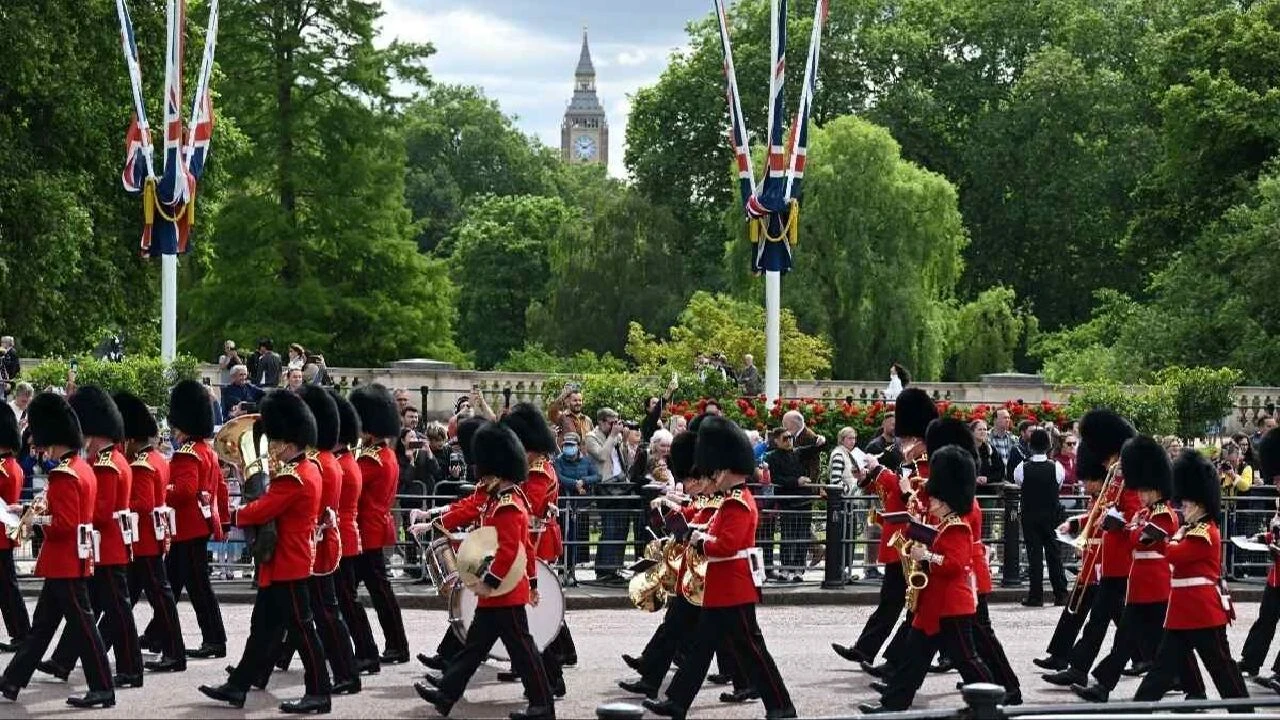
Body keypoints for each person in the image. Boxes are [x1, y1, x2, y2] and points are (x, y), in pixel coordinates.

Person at [642, 416, 796, 720]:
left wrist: (699, 541)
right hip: (721, 587)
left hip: (734, 588)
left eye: (715, 471)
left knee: (753, 651)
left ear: (726, 470)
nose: (711, 476)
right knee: (700, 650)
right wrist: (694, 532)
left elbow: (725, 545)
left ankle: (781, 705)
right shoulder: (728, 500)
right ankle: (676, 703)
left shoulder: (738, 502)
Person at [199, 390, 332, 714]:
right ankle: (238, 686)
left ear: (288, 442)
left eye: (275, 441)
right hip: (284, 561)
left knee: (303, 630)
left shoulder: (294, 477)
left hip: (289, 561)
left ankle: (319, 692)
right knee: (262, 630)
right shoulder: (307, 469)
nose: (271, 446)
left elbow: (262, 510)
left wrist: (233, 514)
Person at [413, 422, 555, 720]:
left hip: (503, 592)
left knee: (524, 652)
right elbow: (525, 549)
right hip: (498, 592)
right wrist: (530, 580)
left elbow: (509, 551)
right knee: (472, 649)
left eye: (486, 471)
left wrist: (494, 582)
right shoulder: (497, 500)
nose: (482, 477)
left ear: (498, 471)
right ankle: (445, 696)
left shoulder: (507, 506)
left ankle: (543, 704)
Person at [857, 446, 1009, 713]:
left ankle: (991, 700)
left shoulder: (957, 527)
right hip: (933, 603)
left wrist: (926, 555)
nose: (932, 504)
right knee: (914, 659)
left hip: (952, 605)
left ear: (947, 500)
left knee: (967, 659)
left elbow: (955, 564)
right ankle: (892, 704)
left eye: (936, 501)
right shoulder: (944, 523)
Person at [618, 429, 754, 704]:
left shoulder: (727, 499)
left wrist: (692, 532)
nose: (696, 484)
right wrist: (667, 510)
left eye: (697, 479)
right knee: (689, 630)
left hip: (709, 576)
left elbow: (713, 533)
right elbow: (690, 517)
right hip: (699, 575)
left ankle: (660, 680)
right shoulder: (711, 497)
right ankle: (654, 678)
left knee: (721, 636)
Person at [0, 393, 114, 707]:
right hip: (68, 560)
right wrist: (26, 507)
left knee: (84, 628)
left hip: (65, 560)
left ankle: (103, 686)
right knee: (41, 628)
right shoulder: (82, 468)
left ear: (54, 439)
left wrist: (34, 518)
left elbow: (63, 524)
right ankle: (11, 681)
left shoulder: (64, 474)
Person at [1072, 435, 1197, 703]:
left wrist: (1126, 529)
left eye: (1143, 490)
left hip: (1156, 585)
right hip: (1139, 585)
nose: (1139, 495)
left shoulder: (1164, 513)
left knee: (1171, 641)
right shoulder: (1145, 512)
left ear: (1156, 488)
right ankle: (1103, 686)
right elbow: (1134, 537)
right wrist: (1119, 527)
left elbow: (1141, 539)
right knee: (1126, 638)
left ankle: (1193, 687)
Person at [259, 385, 361, 695]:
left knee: (324, 615)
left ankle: (346, 673)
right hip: (314, 545)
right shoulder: (325, 461)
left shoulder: (322, 465)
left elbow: (311, 511)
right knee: (287, 615)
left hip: (315, 548)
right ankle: (256, 671)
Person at [40, 387, 143, 687]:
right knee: (88, 610)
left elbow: (101, 513)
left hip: (107, 547)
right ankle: (63, 660)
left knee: (116, 611)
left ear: (94, 433)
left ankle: (131, 668)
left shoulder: (108, 464)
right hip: (103, 546)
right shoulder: (114, 459)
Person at [1132, 449, 1249, 704]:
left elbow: (1176, 555)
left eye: (1185, 505)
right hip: (1184, 611)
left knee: (1222, 668)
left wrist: (1166, 538)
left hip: (1202, 611)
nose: (1182, 509)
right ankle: (1138, 707)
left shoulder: (1204, 532)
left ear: (1200, 504)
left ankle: (1244, 709)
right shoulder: (1192, 528)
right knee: (1162, 669)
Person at [830, 389, 936, 670]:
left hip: (912, 542)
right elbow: (891, 495)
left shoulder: (924, 464)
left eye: (907, 439)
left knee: (913, 603)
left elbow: (911, 497)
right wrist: (867, 478)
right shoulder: (909, 461)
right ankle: (867, 650)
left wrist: (880, 471)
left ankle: (892, 659)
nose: (903, 444)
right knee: (893, 600)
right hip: (898, 539)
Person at [1043, 410, 1144, 688]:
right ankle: (1079, 668)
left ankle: (1167, 669)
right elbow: (1101, 511)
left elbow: (1134, 514)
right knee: (1101, 620)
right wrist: (1076, 523)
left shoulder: (1127, 475)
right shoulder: (1114, 473)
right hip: (1107, 559)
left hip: (1120, 559)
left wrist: (1114, 522)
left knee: (1113, 621)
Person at [144, 380, 227, 659]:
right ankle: (157, 635)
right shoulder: (206, 450)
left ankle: (214, 639)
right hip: (194, 527)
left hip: (188, 528)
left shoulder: (187, 453)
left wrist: (160, 491)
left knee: (196, 587)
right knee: (172, 583)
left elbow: (185, 490)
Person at [113, 391, 186, 672]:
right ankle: (79, 652)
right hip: (148, 540)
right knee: (126, 601)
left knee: (160, 600)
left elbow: (142, 504)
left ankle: (175, 653)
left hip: (143, 541)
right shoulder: (157, 458)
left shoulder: (142, 463)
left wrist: (118, 505)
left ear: (131, 439)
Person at [348, 384, 410, 668]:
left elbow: (349, 489)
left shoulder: (372, 460)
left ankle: (386, 647)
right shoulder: (383, 454)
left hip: (365, 532)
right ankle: (395, 645)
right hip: (371, 529)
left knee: (348, 594)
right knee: (376, 593)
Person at [1033, 443, 1108, 672]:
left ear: (1097, 479)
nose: (1084, 485)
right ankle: (1059, 655)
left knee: (1122, 620)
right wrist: (1074, 523)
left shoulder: (1108, 497)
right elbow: (1092, 518)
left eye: (1088, 481)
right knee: (1072, 611)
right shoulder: (1099, 496)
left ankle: (1146, 658)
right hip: (1090, 562)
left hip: (1103, 565)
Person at [329, 391, 377, 677]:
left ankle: (366, 652)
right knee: (342, 602)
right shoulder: (347, 461)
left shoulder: (342, 465)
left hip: (342, 539)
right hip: (345, 536)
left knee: (346, 602)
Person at [1242, 427, 1280, 679]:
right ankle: (1251, 660)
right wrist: (1264, 537)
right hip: (1276, 575)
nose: (1275, 483)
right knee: (1265, 619)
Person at [1016, 428, 1068, 607]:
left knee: (1034, 557)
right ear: (1049, 446)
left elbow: (1020, 484)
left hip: (1030, 515)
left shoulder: (1021, 468)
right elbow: (1059, 485)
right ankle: (1061, 594)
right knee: (1054, 555)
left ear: (1030, 446)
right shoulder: (1057, 467)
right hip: (1052, 515)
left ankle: (1036, 596)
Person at [0, 403, 29, 652]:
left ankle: (22, 633)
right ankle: (20, 633)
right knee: (6, 588)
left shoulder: (4, 468)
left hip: (1, 534)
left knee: (8, 588)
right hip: (5, 534)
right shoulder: (13, 466)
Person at [554, 433, 598, 568]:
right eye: (566, 445)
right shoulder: (558, 461)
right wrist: (574, 483)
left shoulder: (586, 461)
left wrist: (584, 481)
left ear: (578, 446)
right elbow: (558, 477)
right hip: (563, 504)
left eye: (572, 445)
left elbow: (597, 475)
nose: (568, 447)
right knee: (563, 535)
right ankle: (563, 566)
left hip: (580, 504)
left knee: (577, 536)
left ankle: (574, 566)